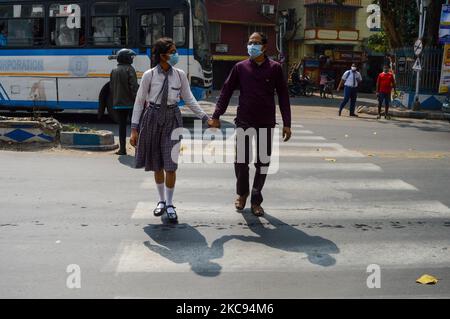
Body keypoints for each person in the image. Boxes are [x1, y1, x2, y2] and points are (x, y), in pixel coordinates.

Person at [130, 37, 216, 223]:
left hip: (172, 119)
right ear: (162, 56)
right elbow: (139, 102)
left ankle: (170, 204)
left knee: (171, 164)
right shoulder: (149, 75)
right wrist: (134, 129)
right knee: (157, 163)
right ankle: (161, 201)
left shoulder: (180, 75)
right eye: (173, 51)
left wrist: (205, 118)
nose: (176, 54)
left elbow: (190, 99)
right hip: (151, 118)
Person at [209, 32, 292, 217]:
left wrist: (287, 122)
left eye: (255, 43)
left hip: (266, 122)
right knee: (241, 161)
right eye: (249, 42)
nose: (251, 45)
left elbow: (284, 96)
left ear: (264, 46)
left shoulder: (275, 68)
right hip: (244, 121)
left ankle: (256, 199)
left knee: (262, 163)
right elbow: (226, 91)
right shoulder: (240, 67)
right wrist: (216, 115)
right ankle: (242, 193)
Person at [110, 48, 138, 155]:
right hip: (130, 104)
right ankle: (137, 149)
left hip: (118, 104)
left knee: (121, 127)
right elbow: (134, 87)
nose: (132, 59)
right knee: (135, 127)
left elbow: (112, 88)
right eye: (130, 57)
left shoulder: (114, 70)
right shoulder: (130, 69)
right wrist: (138, 101)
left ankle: (122, 149)